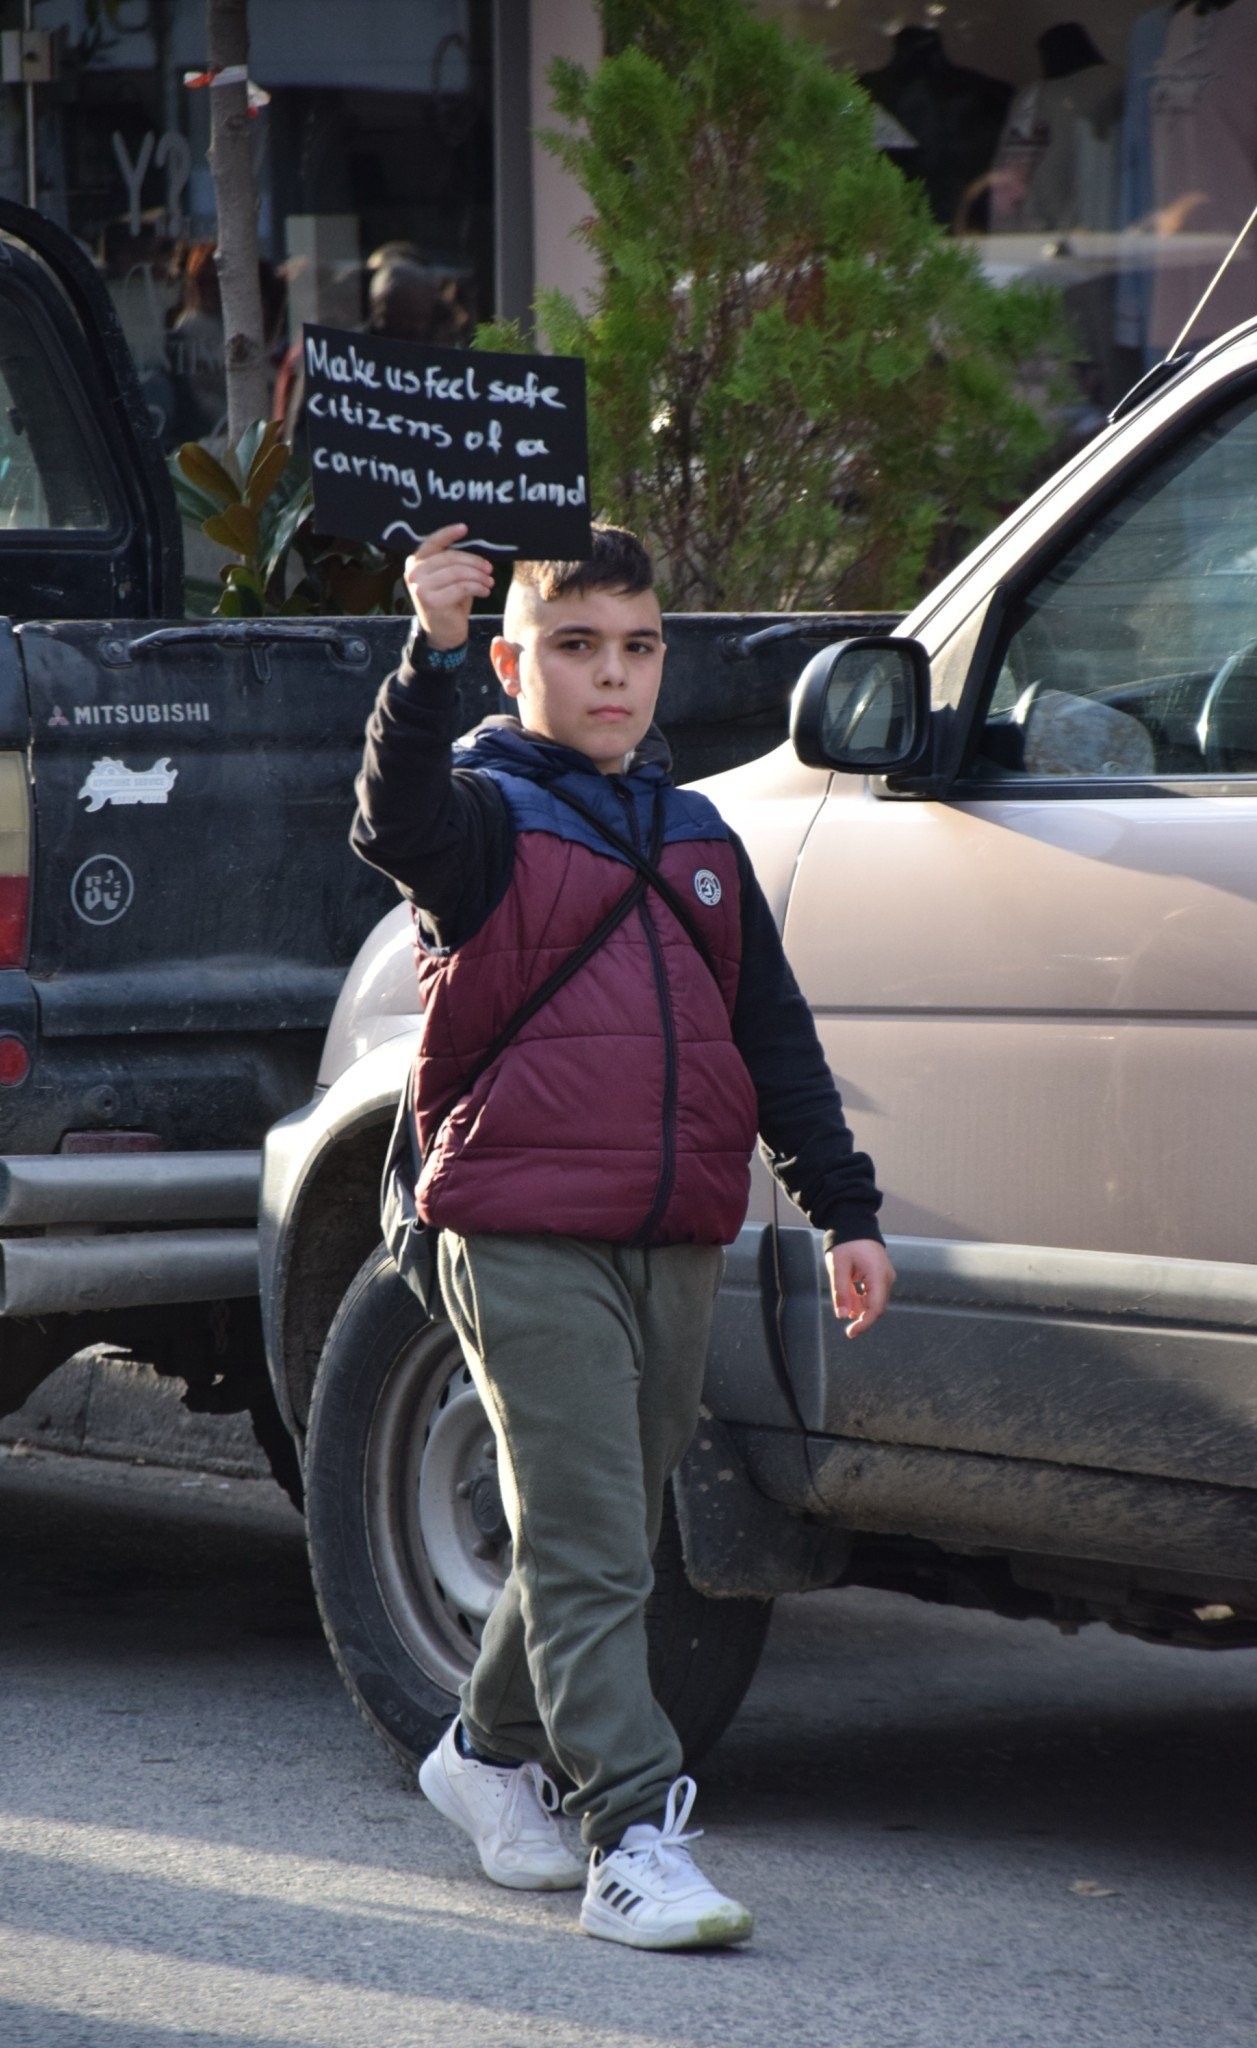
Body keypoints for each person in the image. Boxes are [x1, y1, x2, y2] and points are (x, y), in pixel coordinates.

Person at [351, 521, 895, 1951]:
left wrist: (844, 1207)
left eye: (638, 648)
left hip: (670, 1229)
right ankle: (632, 1837)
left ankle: (479, 1755)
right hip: (518, 1223)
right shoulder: (476, 818)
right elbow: (388, 817)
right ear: (519, 661)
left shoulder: (701, 836)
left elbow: (767, 1033)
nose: (613, 677)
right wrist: (428, 651)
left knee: (590, 1534)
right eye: (577, 649)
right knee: (596, 1541)